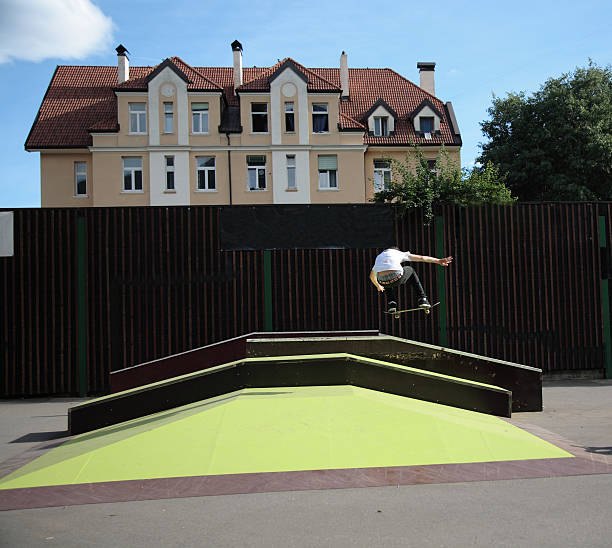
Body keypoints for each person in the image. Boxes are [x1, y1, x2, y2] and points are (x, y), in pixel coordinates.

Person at [369, 247, 453, 313]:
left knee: (385, 276)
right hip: (397, 277)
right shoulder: (399, 253)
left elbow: (372, 276)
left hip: (383, 282)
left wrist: (378, 286)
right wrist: (438, 261)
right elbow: (421, 258)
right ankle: (422, 299)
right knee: (410, 269)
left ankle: (392, 303)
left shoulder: (379, 257)